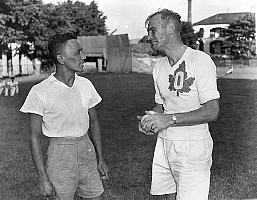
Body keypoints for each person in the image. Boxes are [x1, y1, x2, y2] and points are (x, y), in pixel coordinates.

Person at [137, 9, 220, 200]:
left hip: (193, 147)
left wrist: (169, 119)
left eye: (153, 30)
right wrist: (151, 119)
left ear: (171, 28)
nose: (149, 36)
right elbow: (162, 105)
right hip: (164, 143)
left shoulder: (200, 60)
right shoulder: (158, 67)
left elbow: (212, 111)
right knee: (165, 196)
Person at [20, 32, 109, 200]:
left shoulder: (86, 84)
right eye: (77, 53)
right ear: (60, 59)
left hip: (86, 150)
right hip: (59, 155)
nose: (83, 57)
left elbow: (94, 121)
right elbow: (34, 137)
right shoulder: (40, 91)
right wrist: (43, 179)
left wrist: (100, 158)